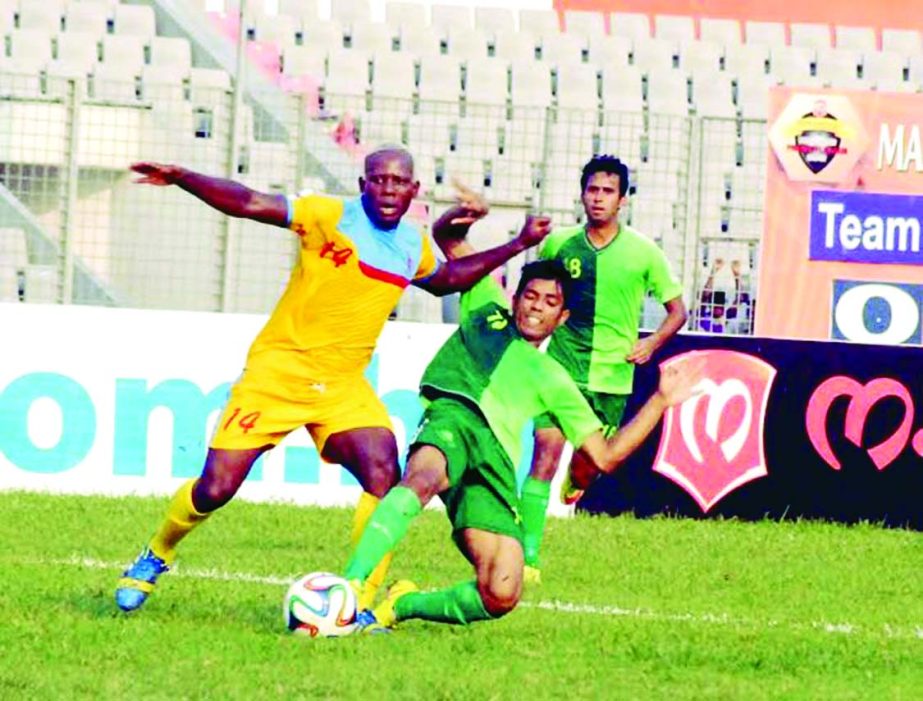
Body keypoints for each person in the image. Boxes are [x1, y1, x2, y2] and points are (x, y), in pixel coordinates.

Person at [114, 146, 552, 613]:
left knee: (383, 472)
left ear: (413, 190)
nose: (388, 189)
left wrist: (518, 244)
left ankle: (357, 599)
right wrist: (183, 174)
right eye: (378, 180)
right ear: (363, 185)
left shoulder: (412, 244)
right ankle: (157, 553)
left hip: (342, 385)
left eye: (398, 182)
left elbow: (445, 280)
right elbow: (249, 202)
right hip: (278, 374)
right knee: (216, 487)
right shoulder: (326, 215)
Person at [342, 258, 704, 632]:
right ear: (515, 299)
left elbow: (605, 457)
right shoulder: (485, 309)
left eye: (550, 302)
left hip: (495, 463)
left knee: (501, 591)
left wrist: (660, 400)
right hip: (455, 416)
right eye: (531, 296)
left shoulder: (553, 378)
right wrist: (485, 229)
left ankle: (401, 605)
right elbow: (450, 240)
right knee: (422, 477)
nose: (537, 307)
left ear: (562, 318)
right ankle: (350, 589)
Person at [435, 160, 688, 581]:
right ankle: (529, 557)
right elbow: (537, 288)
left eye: (608, 192)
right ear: (582, 193)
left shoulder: (644, 252)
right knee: (544, 455)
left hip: (612, 375)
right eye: (592, 190)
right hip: (561, 368)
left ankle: (579, 477)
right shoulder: (560, 245)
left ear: (622, 199)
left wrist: (651, 342)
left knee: (590, 466)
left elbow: (677, 310)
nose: (598, 198)